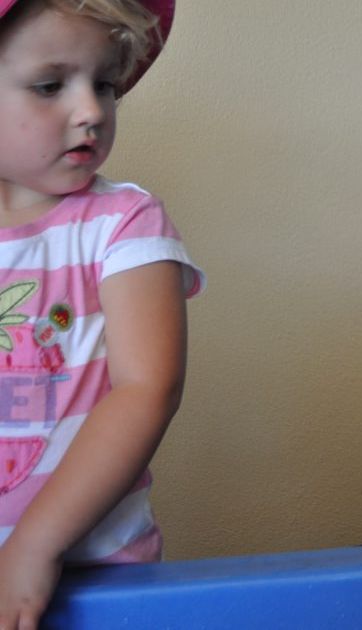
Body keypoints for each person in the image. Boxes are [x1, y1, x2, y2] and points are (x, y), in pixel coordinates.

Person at [0, 0, 204, 625]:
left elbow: (147, 388)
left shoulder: (125, 224)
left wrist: (34, 544)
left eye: (105, 85)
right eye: (50, 85)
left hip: (96, 578)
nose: (91, 111)